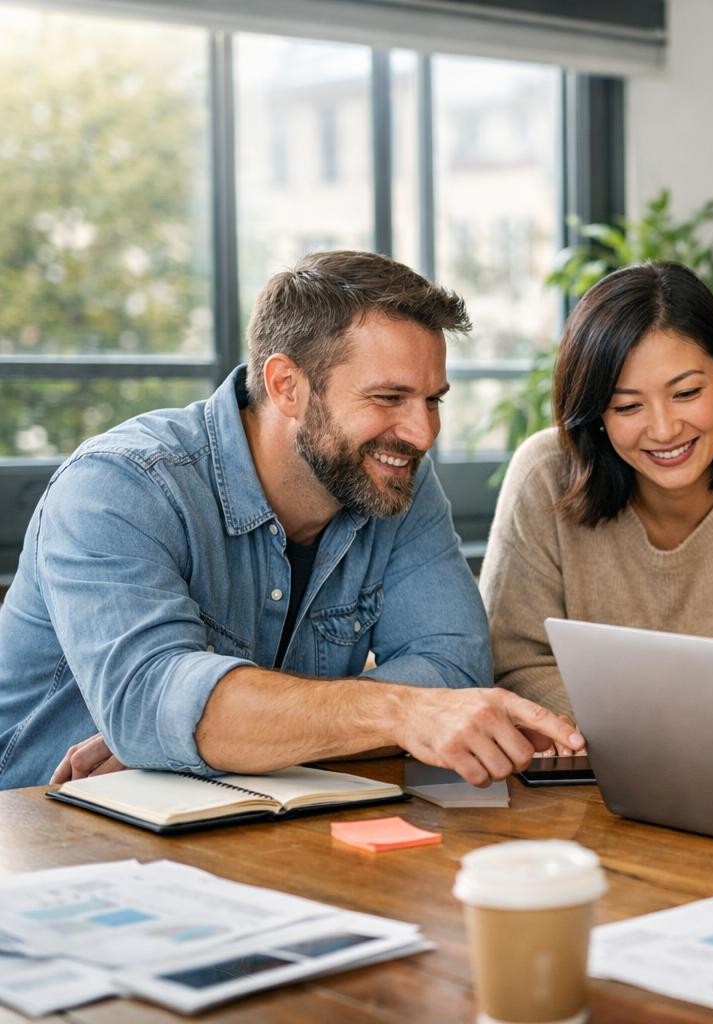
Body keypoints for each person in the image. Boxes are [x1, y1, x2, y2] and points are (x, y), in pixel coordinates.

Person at [0, 250, 580, 791]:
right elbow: (151, 702)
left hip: (239, 827)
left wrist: (218, 736)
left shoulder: (393, 475)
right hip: (44, 835)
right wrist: (394, 711)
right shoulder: (121, 485)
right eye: (388, 398)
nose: (422, 433)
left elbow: (455, 670)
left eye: (433, 400)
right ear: (287, 386)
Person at [480, 261, 713, 731]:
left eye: (685, 393)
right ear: (597, 412)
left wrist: (624, 716)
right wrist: (653, 729)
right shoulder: (543, 474)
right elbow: (513, 667)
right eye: (628, 406)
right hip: (590, 775)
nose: (663, 430)